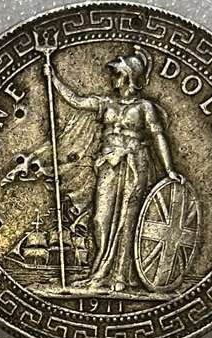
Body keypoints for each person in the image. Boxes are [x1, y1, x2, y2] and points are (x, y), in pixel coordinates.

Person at [48, 46, 182, 292]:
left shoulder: (145, 107)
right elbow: (77, 101)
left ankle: (120, 276)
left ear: (130, 76)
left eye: (117, 73)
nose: (112, 78)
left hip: (135, 163)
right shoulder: (107, 103)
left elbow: (158, 136)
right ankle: (99, 272)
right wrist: (53, 78)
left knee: (126, 219)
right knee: (100, 220)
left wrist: (169, 169)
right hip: (108, 163)